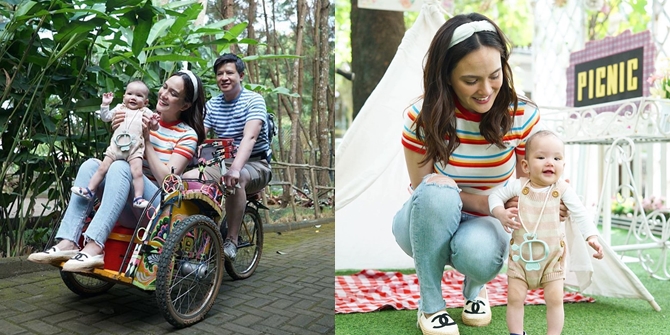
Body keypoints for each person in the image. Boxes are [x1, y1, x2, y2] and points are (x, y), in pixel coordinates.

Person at [391, 13, 544, 335]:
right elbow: (423, 190)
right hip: (430, 215)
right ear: (446, 76)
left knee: (478, 254)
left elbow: (519, 190)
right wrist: (491, 203)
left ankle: (475, 289)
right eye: (471, 80)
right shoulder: (421, 118)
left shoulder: (522, 115)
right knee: (437, 190)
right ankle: (431, 306)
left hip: (489, 221)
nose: (486, 90)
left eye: (494, 75)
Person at [27, 70, 206, 272]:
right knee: (91, 165)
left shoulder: (187, 135)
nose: (164, 94)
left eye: (173, 93)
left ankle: (95, 246)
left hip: (155, 209)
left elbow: (167, 180)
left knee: (122, 166)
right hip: (124, 204)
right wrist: (121, 131)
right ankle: (67, 241)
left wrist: (145, 140)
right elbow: (115, 154)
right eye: (164, 87)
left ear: (185, 105)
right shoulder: (136, 114)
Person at [489, 130, 604, 335]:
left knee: (555, 299)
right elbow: (495, 195)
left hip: (551, 259)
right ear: (525, 166)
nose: (549, 162)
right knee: (514, 298)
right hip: (521, 257)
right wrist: (500, 212)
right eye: (541, 157)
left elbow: (580, 213)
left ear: (563, 165)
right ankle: (516, 332)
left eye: (557, 158)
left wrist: (592, 237)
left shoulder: (562, 190)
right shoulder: (519, 186)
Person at [183, 53, 271, 261]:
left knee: (235, 180)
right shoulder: (213, 104)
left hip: (256, 164)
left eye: (229, 72)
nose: (224, 77)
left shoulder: (254, 100)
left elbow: (249, 138)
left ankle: (231, 239)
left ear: (241, 75)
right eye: (220, 73)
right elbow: (198, 135)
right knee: (188, 180)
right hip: (223, 162)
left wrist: (235, 169)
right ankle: (197, 232)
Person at [71, 80, 159, 209]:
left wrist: (155, 123)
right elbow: (106, 117)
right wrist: (105, 105)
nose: (133, 97)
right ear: (124, 97)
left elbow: (154, 127)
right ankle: (89, 190)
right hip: (115, 148)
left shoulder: (145, 112)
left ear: (145, 102)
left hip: (134, 149)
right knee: (102, 168)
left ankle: (138, 198)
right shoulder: (119, 108)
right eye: (130, 94)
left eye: (139, 95)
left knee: (137, 173)